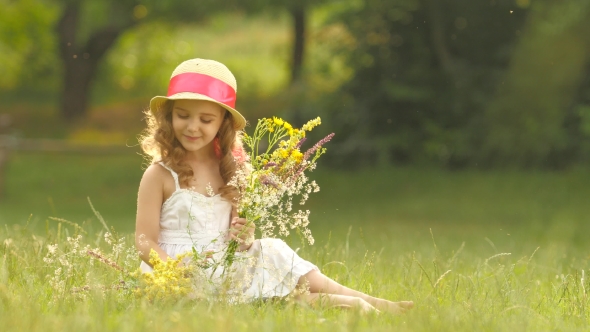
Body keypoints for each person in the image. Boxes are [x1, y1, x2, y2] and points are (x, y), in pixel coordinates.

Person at [135, 58, 414, 314]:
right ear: (169, 117)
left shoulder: (234, 170)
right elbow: (144, 240)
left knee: (270, 251)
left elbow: (240, 240)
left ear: (222, 123)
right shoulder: (159, 175)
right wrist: (173, 274)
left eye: (205, 119)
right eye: (183, 115)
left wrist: (243, 237)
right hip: (180, 272)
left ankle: (372, 301)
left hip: (224, 264)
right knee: (281, 300)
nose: (192, 127)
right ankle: (354, 305)